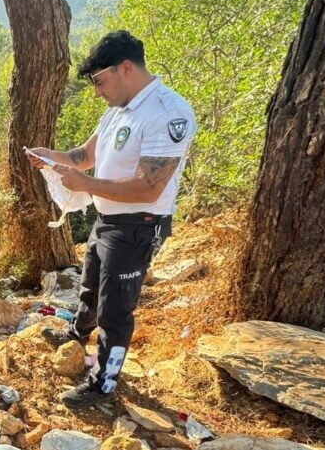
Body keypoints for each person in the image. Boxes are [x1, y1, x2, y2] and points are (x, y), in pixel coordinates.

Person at [25, 30, 197, 408]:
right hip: (107, 218)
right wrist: (49, 157)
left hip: (139, 224)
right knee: (90, 288)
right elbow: (84, 156)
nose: (97, 91)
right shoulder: (118, 109)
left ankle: (103, 383)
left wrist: (85, 183)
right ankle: (76, 335)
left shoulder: (168, 113)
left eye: (100, 81)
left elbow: (149, 187)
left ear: (126, 68)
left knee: (115, 309)